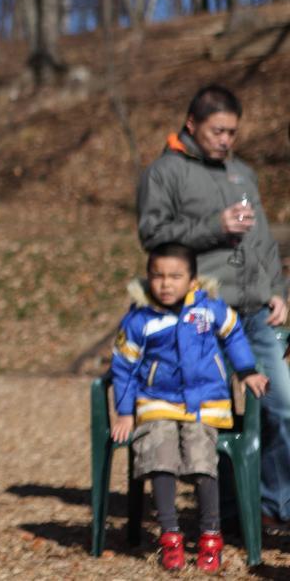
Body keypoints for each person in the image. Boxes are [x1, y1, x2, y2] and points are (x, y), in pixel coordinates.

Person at [137, 84, 290, 529]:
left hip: (256, 312)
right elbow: (153, 235)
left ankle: (274, 507)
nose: (226, 140)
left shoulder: (242, 173)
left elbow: (261, 239)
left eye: (233, 132)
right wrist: (212, 226)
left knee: (282, 405)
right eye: (218, 130)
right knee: (215, 414)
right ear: (192, 125)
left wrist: (277, 290)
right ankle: (223, 517)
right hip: (201, 315)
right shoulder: (164, 172)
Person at [110, 243, 268, 572]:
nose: (165, 284)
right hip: (157, 402)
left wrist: (247, 370)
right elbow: (124, 366)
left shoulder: (209, 309)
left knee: (200, 457)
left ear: (192, 279)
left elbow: (234, 334)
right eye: (158, 276)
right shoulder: (141, 319)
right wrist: (125, 411)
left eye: (175, 276)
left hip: (204, 403)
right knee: (158, 452)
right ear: (148, 278)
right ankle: (170, 535)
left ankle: (211, 535)